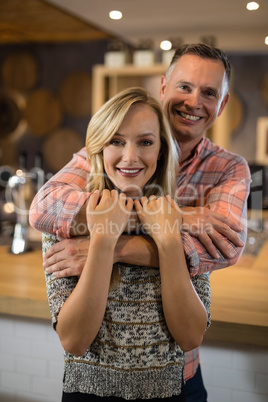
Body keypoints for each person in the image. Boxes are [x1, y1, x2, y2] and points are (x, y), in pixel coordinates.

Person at [30, 43, 251, 401]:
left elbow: (224, 243)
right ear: (163, 87)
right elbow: (45, 207)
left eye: (209, 92)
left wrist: (112, 244)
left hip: (179, 377)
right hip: (91, 387)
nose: (193, 102)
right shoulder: (108, 157)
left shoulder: (228, 169)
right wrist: (165, 224)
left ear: (222, 104)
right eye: (184, 86)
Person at [42, 87, 211, 401]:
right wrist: (104, 241)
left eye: (145, 142)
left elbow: (190, 336)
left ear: (161, 150)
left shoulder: (180, 216)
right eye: (116, 141)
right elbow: (74, 341)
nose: (130, 157)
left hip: (167, 393)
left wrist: (169, 242)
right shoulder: (68, 221)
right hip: (87, 393)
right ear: (99, 148)